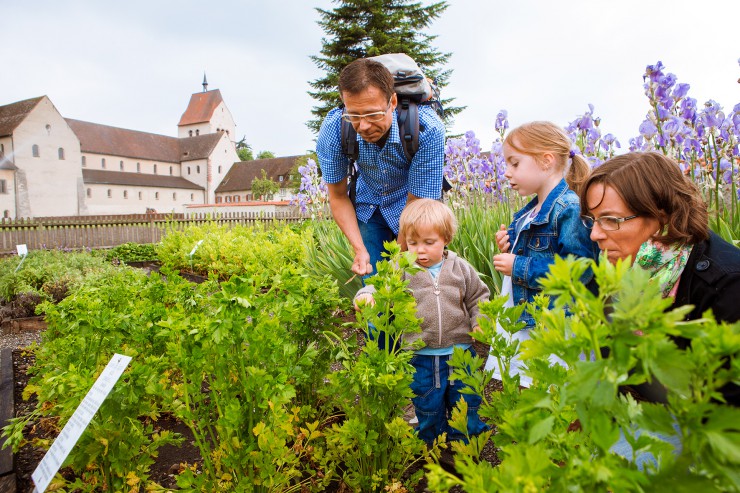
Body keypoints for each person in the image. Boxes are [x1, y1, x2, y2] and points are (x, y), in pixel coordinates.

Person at [579, 151, 740, 467]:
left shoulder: (727, 285)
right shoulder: (614, 268)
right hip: (650, 410)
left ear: (662, 215)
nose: (595, 234)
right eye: (592, 220)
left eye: (611, 219)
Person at [354, 198, 490, 445]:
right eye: (412, 243)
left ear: (446, 238)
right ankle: (433, 450)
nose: (419, 250)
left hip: (460, 353)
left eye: (429, 243)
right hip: (421, 356)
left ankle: (466, 449)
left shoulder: (460, 268)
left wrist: (480, 321)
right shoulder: (400, 267)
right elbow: (378, 284)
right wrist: (366, 294)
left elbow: (478, 297)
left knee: (466, 404)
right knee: (427, 408)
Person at [484, 121, 599, 385]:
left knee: (553, 385)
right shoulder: (533, 208)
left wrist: (519, 266)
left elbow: (579, 271)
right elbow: (537, 246)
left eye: (514, 163)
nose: (506, 172)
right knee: (529, 382)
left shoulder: (567, 208)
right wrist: (511, 242)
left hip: (553, 324)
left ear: (546, 161)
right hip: (528, 317)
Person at [316, 57, 446, 279]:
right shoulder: (334, 128)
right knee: (375, 293)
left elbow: (418, 203)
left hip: (415, 205)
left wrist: (398, 258)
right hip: (370, 206)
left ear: (392, 102)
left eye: (373, 114)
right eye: (354, 116)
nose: (363, 126)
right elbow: (337, 196)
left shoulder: (427, 129)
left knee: (421, 291)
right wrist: (360, 251)